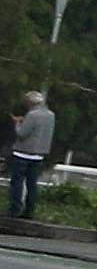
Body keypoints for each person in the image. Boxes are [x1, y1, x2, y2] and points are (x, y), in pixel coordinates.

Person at [8, 88, 49, 219]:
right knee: (32, 184)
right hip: (39, 154)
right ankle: (29, 211)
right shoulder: (50, 115)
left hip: (23, 153)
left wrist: (17, 123)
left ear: (29, 103)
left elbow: (22, 133)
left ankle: (15, 209)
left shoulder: (32, 115)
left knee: (17, 183)